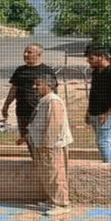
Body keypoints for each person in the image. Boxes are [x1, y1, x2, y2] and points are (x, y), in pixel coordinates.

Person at [27, 72, 73, 210]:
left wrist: (47, 144)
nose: (35, 87)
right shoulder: (45, 100)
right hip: (43, 145)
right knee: (47, 174)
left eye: (38, 84)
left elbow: (54, 124)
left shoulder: (53, 101)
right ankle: (53, 201)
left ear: (48, 85)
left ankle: (61, 204)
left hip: (51, 146)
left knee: (55, 175)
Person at [0, 43, 56, 155]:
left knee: (40, 139)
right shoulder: (20, 71)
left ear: (39, 54)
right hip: (22, 111)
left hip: (40, 112)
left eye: (29, 52)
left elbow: (54, 93)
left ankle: (42, 163)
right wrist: (6, 105)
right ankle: (35, 161)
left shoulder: (46, 71)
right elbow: (13, 89)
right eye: (25, 52)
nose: (25, 55)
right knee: (27, 138)